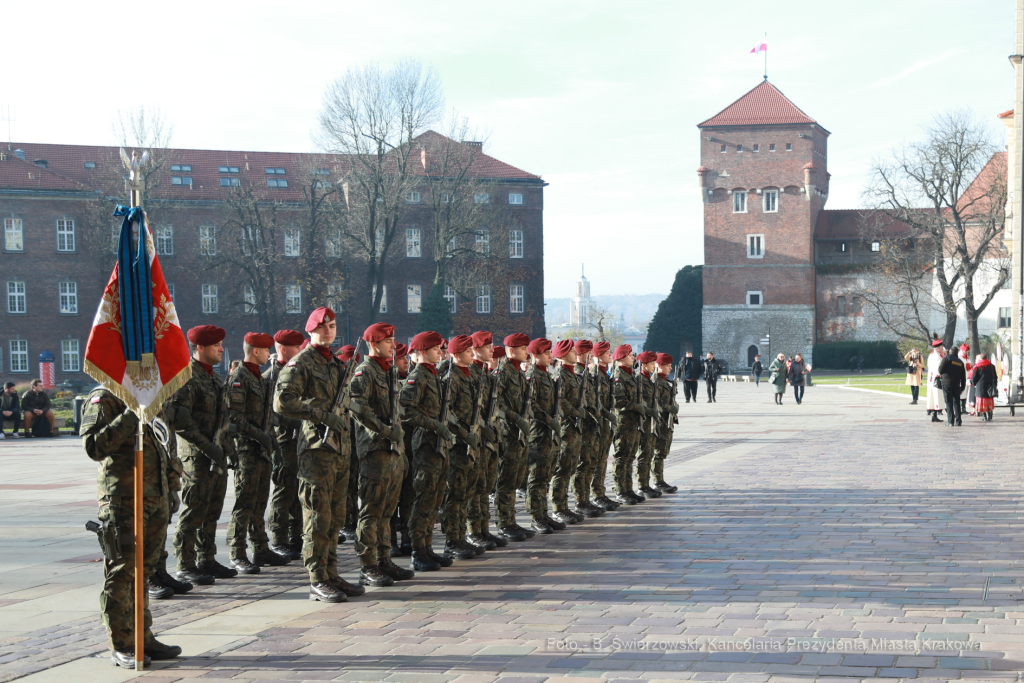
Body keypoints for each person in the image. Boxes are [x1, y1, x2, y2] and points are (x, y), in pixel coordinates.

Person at [81, 388, 182, 668]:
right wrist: (131, 414)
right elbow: (94, 447)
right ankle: (122, 643)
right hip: (123, 497)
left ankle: (143, 637)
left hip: (155, 495)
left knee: (145, 571)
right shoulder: (106, 397)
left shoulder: (151, 393)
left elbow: (165, 443)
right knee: (122, 571)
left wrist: (172, 486)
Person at [275, 308, 367, 601]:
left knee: (336, 517)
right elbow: (282, 402)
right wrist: (321, 416)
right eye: (322, 326)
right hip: (316, 451)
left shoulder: (336, 364)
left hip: (339, 450)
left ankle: (332, 573)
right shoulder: (301, 362)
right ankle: (317, 579)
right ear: (311, 330)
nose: (328, 331)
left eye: (332, 326)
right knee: (317, 517)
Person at [347, 323, 414, 585]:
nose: (393, 346)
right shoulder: (365, 372)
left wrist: (399, 446)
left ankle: (384, 559)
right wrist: (385, 431)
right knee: (372, 511)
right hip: (375, 450)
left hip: (392, 450)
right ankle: (367, 564)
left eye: (393, 340)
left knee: (387, 511)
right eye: (388, 341)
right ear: (374, 344)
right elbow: (358, 408)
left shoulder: (388, 372)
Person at [171, 325, 235, 586]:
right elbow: (180, 420)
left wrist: (226, 448)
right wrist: (207, 447)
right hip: (196, 457)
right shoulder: (186, 377)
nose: (221, 349)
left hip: (216, 454)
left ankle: (206, 558)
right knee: (193, 511)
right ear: (200, 347)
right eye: (216, 345)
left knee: (212, 510)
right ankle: (185, 564)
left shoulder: (212, 378)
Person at [225, 333, 290, 574]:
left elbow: (267, 415)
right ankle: (237, 552)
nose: (268, 354)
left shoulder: (259, 379)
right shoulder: (239, 378)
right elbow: (234, 418)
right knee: (244, 502)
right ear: (255, 351)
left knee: (260, 502)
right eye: (265, 350)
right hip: (246, 449)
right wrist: (259, 435)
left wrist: (271, 439)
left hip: (261, 449)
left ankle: (260, 548)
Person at [401, 330, 456, 571]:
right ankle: (417, 551)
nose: (440, 353)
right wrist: (434, 425)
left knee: (435, 499)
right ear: (422, 351)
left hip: (438, 445)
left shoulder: (433, 375)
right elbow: (406, 412)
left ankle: (428, 547)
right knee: (424, 499)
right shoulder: (418, 377)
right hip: (425, 444)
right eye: (435, 349)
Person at [439, 335, 484, 558]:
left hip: (472, 442)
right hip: (457, 445)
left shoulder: (471, 376)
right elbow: (447, 413)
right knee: (455, 494)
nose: (472, 354)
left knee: (466, 492)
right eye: (467, 351)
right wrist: (463, 433)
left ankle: (461, 536)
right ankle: (452, 540)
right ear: (456, 355)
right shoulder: (451, 378)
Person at [266, 329, 305, 562]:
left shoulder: (296, 372)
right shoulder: (271, 376)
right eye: (295, 347)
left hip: (299, 440)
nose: (300, 351)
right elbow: (271, 413)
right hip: (283, 442)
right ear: (282, 349)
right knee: (283, 491)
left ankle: (295, 535)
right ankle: (279, 539)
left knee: (298, 489)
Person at [494, 333, 535, 542]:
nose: (526, 352)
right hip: (508, 433)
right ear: (511, 351)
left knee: (516, 479)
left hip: (520, 433)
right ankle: (504, 523)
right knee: (506, 480)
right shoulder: (503, 372)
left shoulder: (518, 372)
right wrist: (515, 418)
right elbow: (497, 403)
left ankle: (511, 520)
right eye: (523, 348)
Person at [466, 332, 504, 551]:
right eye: (487, 346)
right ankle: (474, 531)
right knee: (475, 486)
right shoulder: (471, 374)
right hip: (475, 439)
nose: (492, 350)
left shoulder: (486, 374)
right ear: (475, 350)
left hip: (489, 438)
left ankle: (483, 528)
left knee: (485, 486)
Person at [524, 337, 563, 534]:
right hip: (538, 434)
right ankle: (535, 516)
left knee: (546, 476)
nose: (550, 356)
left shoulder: (545, 374)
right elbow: (530, 405)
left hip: (549, 434)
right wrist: (548, 420)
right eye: (546, 353)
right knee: (537, 477)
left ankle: (543, 513)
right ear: (535, 355)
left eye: (550, 352)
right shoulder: (532, 375)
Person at [550, 339, 584, 525]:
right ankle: (557, 508)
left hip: (574, 428)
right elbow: (560, 400)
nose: (575, 354)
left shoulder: (572, 374)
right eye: (572, 351)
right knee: (561, 468)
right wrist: (575, 412)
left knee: (570, 467)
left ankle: (564, 506)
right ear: (562, 355)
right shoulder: (560, 375)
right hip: (565, 428)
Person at [570, 340, 602, 519]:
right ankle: (579, 501)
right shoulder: (576, 373)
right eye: (588, 353)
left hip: (590, 424)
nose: (592, 356)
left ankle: (585, 498)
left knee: (589, 463)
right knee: (581, 465)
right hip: (579, 426)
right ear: (580, 354)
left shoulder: (586, 373)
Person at [389, 343, 415, 558]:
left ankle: (408, 540)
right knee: (390, 500)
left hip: (410, 447)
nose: (406, 361)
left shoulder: (409, 381)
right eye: (400, 358)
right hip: (391, 448)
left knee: (408, 498)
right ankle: (390, 542)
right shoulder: (386, 381)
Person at [611, 344, 645, 505]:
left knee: (630, 457)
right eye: (630, 355)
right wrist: (636, 407)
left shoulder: (629, 375)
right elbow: (619, 401)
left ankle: (628, 489)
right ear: (622, 358)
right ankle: (620, 491)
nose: (633, 357)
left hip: (632, 422)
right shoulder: (618, 375)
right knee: (622, 457)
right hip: (623, 423)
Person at [588, 342, 619, 511]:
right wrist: (606, 414)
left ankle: (600, 493)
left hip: (605, 425)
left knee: (602, 460)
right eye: (607, 353)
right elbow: (594, 402)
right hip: (597, 424)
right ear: (598, 357)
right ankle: (595, 494)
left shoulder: (604, 374)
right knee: (595, 460)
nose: (610, 355)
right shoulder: (594, 375)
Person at [634, 351, 661, 499]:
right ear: (643, 365)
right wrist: (650, 411)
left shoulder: (648, 379)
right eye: (651, 364)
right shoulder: (639, 379)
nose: (654, 366)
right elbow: (639, 401)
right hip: (643, 422)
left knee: (649, 453)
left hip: (650, 422)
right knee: (644, 454)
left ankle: (646, 484)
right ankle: (642, 486)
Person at [653, 353, 679, 493]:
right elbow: (657, 403)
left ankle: (659, 479)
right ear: (659, 365)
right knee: (658, 452)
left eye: (670, 365)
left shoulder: (664, 381)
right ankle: (657, 481)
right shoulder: (655, 381)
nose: (670, 368)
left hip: (666, 422)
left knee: (663, 451)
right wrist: (670, 408)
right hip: (659, 421)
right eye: (667, 365)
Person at [937, 345, 966, 426]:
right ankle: (958, 421)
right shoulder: (960, 362)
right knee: (957, 403)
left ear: (950, 352)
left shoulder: (946, 358)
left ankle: (950, 421)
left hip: (947, 383)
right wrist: (962, 388)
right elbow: (963, 377)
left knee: (949, 402)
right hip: (956, 384)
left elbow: (940, 370)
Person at [971, 353, 997, 421]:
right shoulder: (992, 366)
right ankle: (989, 415)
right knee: (988, 401)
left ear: (980, 358)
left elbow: (974, 378)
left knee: (982, 403)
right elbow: (995, 377)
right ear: (987, 357)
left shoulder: (977, 366)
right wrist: (995, 385)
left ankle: (984, 416)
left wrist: (974, 383)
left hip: (980, 387)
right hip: (989, 387)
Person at [926, 338, 945, 422]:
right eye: (941, 347)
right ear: (938, 347)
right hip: (936, 378)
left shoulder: (933, 354)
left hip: (933, 378)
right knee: (937, 396)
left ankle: (934, 415)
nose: (942, 348)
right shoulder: (937, 356)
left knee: (935, 396)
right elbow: (938, 368)